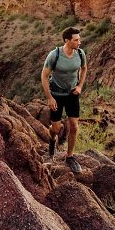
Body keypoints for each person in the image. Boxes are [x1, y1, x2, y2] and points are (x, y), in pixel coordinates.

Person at [41, 26, 87, 173]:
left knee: (74, 126)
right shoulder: (54, 55)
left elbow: (84, 68)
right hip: (57, 95)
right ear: (67, 40)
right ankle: (52, 140)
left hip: (72, 94)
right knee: (56, 128)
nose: (79, 42)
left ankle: (70, 157)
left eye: (79, 39)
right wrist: (49, 98)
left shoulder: (80, 53)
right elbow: (44, 76)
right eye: (76, 40)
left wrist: (80, 86)